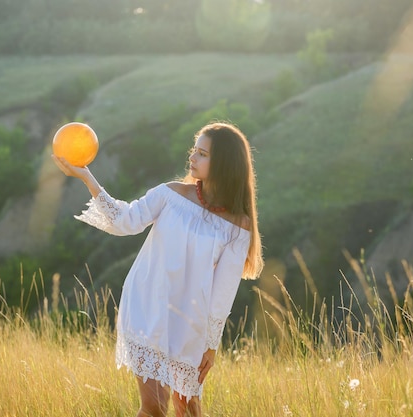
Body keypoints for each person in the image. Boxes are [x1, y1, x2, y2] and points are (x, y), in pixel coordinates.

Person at [52, 121, 264, 417]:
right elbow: (124, 220)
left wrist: (210, 346)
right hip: (147, 309)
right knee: (153, 408)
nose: (192, 157)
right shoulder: (171, 194)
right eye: (195, 150)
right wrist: (87, 178)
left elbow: (222, 294)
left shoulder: (238, 225)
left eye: (202, 154)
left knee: (189, 410)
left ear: (225, 164)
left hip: (190, 325)